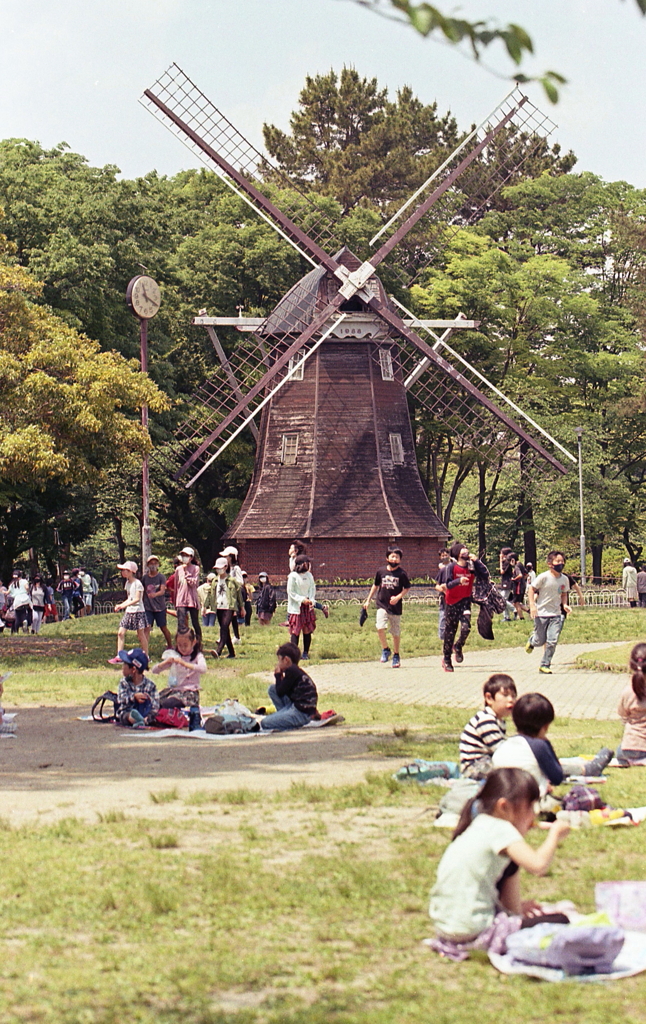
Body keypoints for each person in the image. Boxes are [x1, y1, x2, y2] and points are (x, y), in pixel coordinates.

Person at [428, 768, 570, 959]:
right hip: (475, 929)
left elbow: (513, 911)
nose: (533, 816)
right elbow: (538, 866)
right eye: (530, 807)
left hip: (447, 929)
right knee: (562, 919)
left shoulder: (477, 826)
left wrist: (518, 908)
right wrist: (555, 834)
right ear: (503, 807)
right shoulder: (501, 828)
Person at [492, 693, 613, 793]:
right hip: (526, 800)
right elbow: (557, 777)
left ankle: (588, 769)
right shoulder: (539, 746)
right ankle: (589, 769)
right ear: (545, 725)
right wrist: (547, 745)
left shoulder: (507, 744)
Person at [437, 542, 488, 672]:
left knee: (466, 628)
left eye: (467, 550)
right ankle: (447, 659)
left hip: (465, 601)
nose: (466, 552)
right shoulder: (451, 567)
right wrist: (458, 581)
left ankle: (458, 646)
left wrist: (477, 561)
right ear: (457, 554)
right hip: (452, 602)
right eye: (463, 551)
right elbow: (447, 585)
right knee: (450, 631)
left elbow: (484, 574)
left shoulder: (471, 567)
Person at [459, 674, 517, 779]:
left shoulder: (498, 721)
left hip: (484, 763)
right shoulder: (486, 720)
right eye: (505, 695)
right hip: (474, 768)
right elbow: (501, 751)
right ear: (489, 698)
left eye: (513, 696)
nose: (511, 700)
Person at [363, 547, 410, 668]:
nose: (394, 559)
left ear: (400, 560)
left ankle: (396, 654)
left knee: (395, 632)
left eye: (397, 557)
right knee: (380, 627)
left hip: (395, 607)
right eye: (392, 556)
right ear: (387, 558)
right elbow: (375, 585)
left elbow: (407, 588)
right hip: (382, 604)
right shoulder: (381, 571)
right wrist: (368, 600)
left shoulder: (402, 573)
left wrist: (398, 597)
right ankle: (385, 649)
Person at [525, 551, 571, 674]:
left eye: (562, 561)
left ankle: (545, 664)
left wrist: (565, 605)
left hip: (556, 614)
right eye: (558, 561)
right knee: (540, 640)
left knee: (552, 641)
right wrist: (532, 606)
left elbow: (564, 593)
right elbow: (531, 589)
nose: (561, 564)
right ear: (550, 564)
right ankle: (532, 641)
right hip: (541, 614)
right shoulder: (543, 577)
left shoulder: (564, 579)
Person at [260, 642, 318, 731]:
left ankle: (287, 722)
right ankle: (282, 716)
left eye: (279, 660)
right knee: (272, 689)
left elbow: (280, 692)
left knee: (265, 723)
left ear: (286, 660)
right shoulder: (295, 671)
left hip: (301, 713)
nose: (278, 664)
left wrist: (278, 676)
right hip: (296, 706)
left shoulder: (291, 671)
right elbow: (280, 690)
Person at [152, 629, 207, 709]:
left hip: (189, 692)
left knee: (169, 704)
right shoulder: (176, 656)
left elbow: (203, 669)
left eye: (185, 645)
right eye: (179, 645)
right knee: (154, 702)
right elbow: (154, 670)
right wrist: (165, 662)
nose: (182, 648)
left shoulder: (197, 656)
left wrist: (184, 664)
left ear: (193, 642)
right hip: (175, 690)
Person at [108, 561, 148, 663]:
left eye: (125, 570)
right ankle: (119, 656)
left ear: (131, 571)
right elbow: (129, 598)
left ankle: (146, 656)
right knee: (120, 633)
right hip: (129, 611)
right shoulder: (128, 583)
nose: (123, 572)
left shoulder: (137, 583)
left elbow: (136, 599)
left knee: (140, 635)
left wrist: (122, 606)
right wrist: (121, 605)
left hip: (138, 611)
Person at [616, 642, 646, 765]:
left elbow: (622, 714)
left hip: (628, 747)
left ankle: (632, 760)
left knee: (619, 749)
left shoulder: (627, 692)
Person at [209, 557, 244, 659]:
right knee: (225, 630)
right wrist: (205, 606)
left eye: (220, 568)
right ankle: (231, 653)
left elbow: (239, 595)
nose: (218, 570)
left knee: (224, 627)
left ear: (225, 567)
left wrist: (242, 608)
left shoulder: (232, 580)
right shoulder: (215, 580)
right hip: (219, 606)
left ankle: (218, 651)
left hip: (229, 606)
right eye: (217, 568)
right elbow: (211, 594)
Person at [115, 647, 159, 727]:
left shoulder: (150, 685)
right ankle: (136, 719)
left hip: (145, 713)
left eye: (125, 664)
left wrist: (148, 699)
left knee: (155, 715)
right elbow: (120, 699)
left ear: (133, 669)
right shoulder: (124, 683)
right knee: (125, 715)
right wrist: (133, 697)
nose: (122, 667)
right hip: (127, 712)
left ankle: (144, 720)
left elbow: (156, 705)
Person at [287, 555, 317, 660]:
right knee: (296, 630)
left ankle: (305, 653)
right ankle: (294, 655)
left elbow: (312, 589)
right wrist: (301, 599)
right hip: (296, 607)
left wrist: (311, 600)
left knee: (307, 629)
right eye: (307, 563)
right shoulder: (293, 576)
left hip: (307, 607)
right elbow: (291, 592)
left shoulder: (309, 575)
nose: (309, 565)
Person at [143, 555, 173, 647]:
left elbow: (162, 590)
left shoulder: (161, 577)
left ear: (158, 565)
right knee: (147, 628)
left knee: (163, 627)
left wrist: (154, 595)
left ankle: (170, 645)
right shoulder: (145, 578)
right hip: (148, 607)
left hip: (160, 607)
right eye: (151, 563)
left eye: (155, 563)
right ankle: (145, 649)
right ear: (147, 565)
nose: (153, 565)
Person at [175, 546, 201, 639]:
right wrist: (175, 600)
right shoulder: (178, 569)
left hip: (192, 599)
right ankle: (181, 641)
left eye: (186, 555)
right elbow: (176, 586)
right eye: (182, 555)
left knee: (195, 622)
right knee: (181, 622)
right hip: (181, 599)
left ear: (191, 557)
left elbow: (194, 583)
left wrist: (187, 574)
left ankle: (198, 640)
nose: (184, 557)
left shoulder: (196, 568)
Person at [219, 546, 244, 643]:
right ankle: (235, 637)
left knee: (229, 616)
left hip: (233, 596)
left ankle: (226, 636)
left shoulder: (236, 568)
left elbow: (240, 582)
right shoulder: (226, 569)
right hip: (225, 595)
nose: (225, 558)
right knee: (231, 617)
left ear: (231, 557)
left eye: (226, 556)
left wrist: (231, 583)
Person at [435, 548, 454, 640]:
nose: (444, 557)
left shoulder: (454, 567)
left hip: (454, 596)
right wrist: (443, 590)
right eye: (442, 555)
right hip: (444, 597)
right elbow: (437, 586)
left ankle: (451, 635)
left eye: (446, 555)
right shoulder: (441, 569)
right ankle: (442, 636)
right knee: (443, 615)